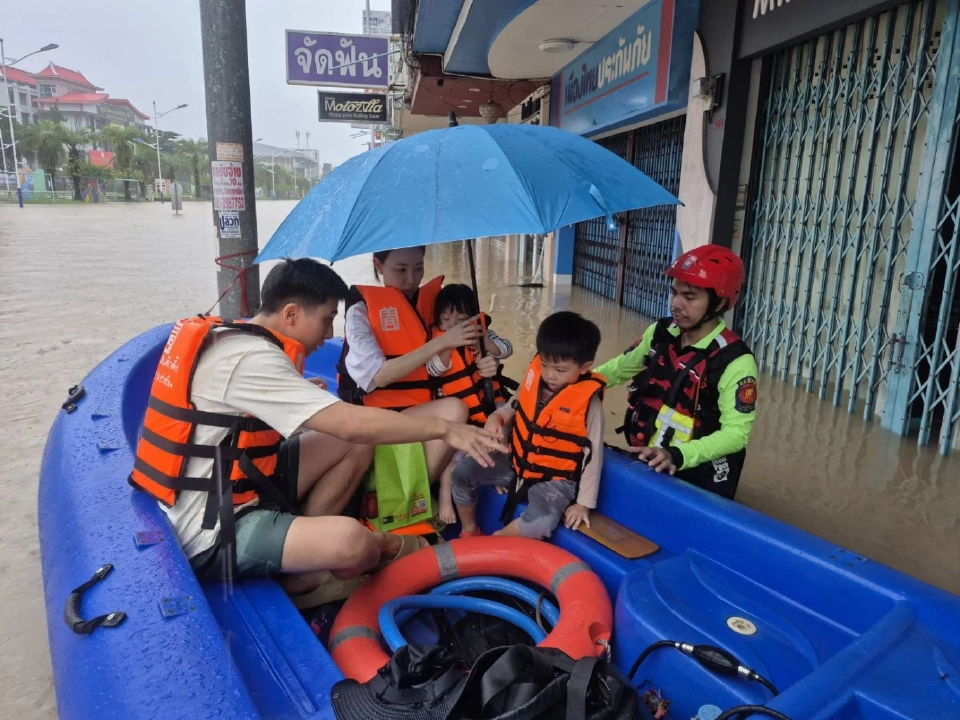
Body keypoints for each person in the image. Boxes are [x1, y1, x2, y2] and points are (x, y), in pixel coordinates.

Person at [129, 258, 506, 601]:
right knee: (352, 542)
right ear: (291, 313)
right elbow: (351, 422)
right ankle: (371, 550)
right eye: (326, 319)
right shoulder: (251, 359)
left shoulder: (236, 337)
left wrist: (303, 390)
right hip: (213, 527)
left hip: (240, 480)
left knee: (350, 445)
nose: (329, 335)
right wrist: (445, 429)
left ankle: (304, 552)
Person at [594, 245, 758, 500]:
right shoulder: (661, 333)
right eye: (674, 293)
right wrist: (574, 384)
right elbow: (617, 370)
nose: (676, 304)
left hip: (697, 473)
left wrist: (677, 456)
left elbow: (736, 435)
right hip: (651, 458)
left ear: (721, 303)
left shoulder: (735, 361)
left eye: (689, 297)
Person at [450, 311, 605, 539]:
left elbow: (593, 457)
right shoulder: (536, 379)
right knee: (461, 473)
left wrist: (583, 504)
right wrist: (497, 418)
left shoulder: (590, 405)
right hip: (516, 462)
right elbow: (514, 405)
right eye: (544, 364)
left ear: (584, 367)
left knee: (539, 526)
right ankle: (469, 530)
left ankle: (496, 540)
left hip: (554, 480)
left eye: (560, 370)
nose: (550, 375)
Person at [427, 283, 514, 524]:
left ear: (474, 318)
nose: (454, 325)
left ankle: (492, 471)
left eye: (463, 319)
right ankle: (445, 497)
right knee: (453, 454)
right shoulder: (437, 340)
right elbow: (434, 370)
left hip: (489, 407)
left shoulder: (482, 334)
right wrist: (447, 344)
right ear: (438, 320)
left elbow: (507, 349)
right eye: (446, 319)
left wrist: (487, 346)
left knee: (505, 429)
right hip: (460, 413)